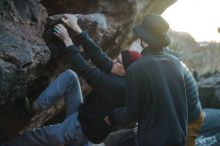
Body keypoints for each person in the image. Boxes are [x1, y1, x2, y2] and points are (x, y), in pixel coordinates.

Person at [0, 16, 142, 146]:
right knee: (70, 77)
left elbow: (86, 70)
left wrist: (67, 40)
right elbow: (101, 58)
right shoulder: (125, 76)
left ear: (126, 71)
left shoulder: (117, 86)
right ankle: (33, 108)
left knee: (35, 136)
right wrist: (78, 30)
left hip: (81, 130)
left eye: (118, 61)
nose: (113, 61)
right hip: (83, 115)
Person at [104, 13, 189, 146]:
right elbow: (171, 103)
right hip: (178, 138)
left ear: (144, 40)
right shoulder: (176, 62)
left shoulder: (137, 69)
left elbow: (132, 113)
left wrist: (112, 116)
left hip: (154, 141)